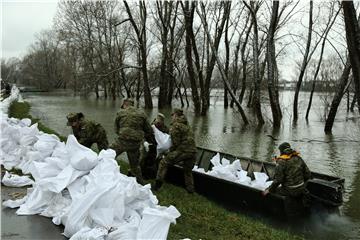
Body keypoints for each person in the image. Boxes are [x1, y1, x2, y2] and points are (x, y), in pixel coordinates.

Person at [152, 108, 197, 193]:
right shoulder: (187, 125)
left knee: (163, 163)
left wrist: (168, 152)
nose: (172, 117)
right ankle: (190, 191)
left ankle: (157, 187)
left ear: (176, 115)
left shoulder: (176, 126)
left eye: (172, 115)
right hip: (193, 152)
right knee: (187, 171)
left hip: (183, 151)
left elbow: (175, 143)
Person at [111, 98, 154, 185]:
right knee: (135, 165)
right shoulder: (142, 114)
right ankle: (140, 183)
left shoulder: (120, 112)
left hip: (122, 141)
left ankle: (107, 176)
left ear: (124, 104)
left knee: (108, 155)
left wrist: (123, 134)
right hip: (135, 143)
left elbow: (116, 129)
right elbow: (148, 130)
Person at [263, 142, 311, 215]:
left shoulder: (281, 161)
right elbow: (308, 174)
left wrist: (269, 189)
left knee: (273, 191)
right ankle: (304, 207)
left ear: (281, 151)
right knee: (299, 189)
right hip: (302, 188)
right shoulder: (298, 158)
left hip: (290, 190)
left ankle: (277, 212)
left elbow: (278, 180)